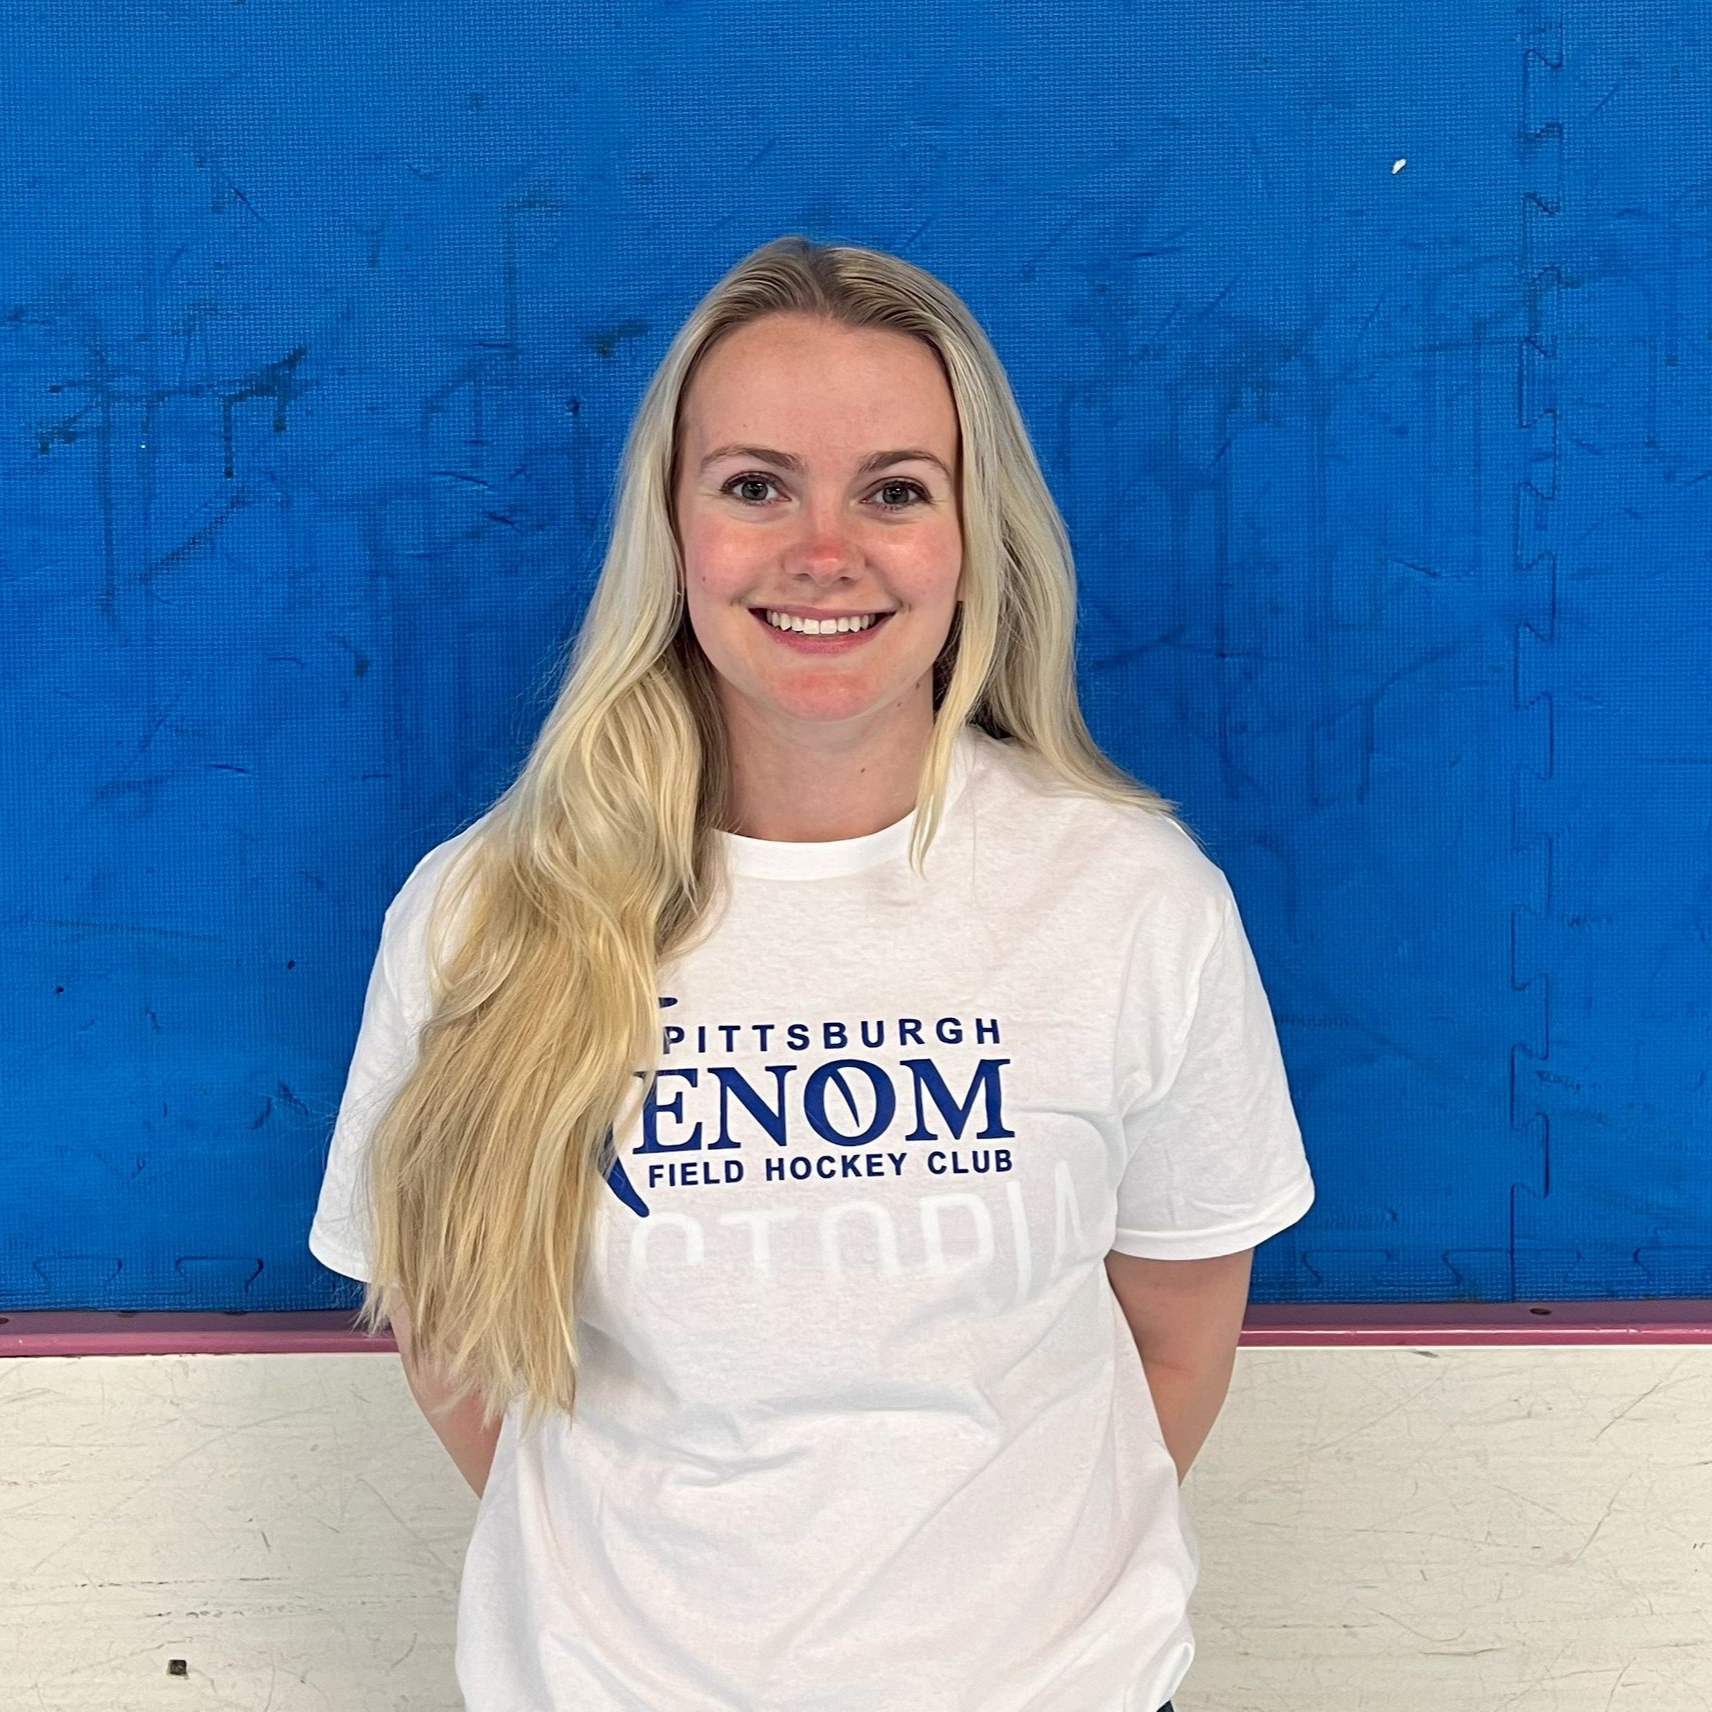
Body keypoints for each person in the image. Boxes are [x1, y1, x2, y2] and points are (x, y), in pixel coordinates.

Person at [308, 234, 1314, 1712]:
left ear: (974, 534)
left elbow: (1176, 1344)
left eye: (895, 490)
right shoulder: (486, 916)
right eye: (755, 486)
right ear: (674, 526)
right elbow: (455, 1353)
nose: (824, 552)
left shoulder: (1130, 900)